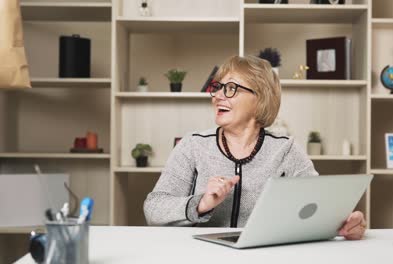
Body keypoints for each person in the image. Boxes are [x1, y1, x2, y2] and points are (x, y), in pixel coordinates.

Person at [143, 55, 366, 240]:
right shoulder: (193, 145)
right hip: (201, 257)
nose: (218, 96)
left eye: (231, 88)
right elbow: (154, 208)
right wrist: (201, 204)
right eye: (218, 87)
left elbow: (319, 208)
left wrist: (347, 222)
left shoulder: (286, 150)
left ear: (260, 99)